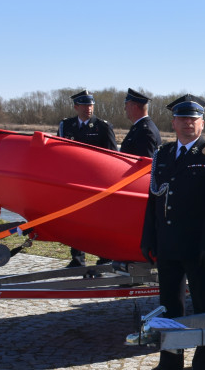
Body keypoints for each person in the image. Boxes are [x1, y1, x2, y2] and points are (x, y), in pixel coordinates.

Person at [140, 94, 205, 370]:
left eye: (193, 119)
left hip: (197, 247)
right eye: (182, 119)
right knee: (169, 305)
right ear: (173, 123)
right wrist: (148, 238)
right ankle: (171, 360)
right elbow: (153, 201)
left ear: (201, 123)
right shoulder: (163, 155)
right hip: (168, 244)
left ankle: (203, 365)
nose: (188, 124)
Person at [58, 90, 118, 267]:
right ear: (76, 107)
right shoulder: (66, 126)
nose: (88, 109)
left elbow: (113, 157)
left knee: (99, 222)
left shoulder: (103, 126)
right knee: (73, 221)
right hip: (73, 181)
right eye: (84, 105)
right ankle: (77, 258)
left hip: (95, 183)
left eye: (91, 105)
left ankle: (105, 258)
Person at [120, 88, 161, 157]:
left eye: (126, 104)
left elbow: (144, 164)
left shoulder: (145, 131)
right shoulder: (139, 127)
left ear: (134, 107)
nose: (125, 108)